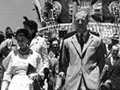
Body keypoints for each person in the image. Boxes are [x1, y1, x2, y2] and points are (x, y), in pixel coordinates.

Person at [58, 9, 105, 90]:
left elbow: (101, 62)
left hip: (91, 83)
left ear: (87, 22)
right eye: (77, 20)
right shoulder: (67, 42)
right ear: (74, 22)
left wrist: (95, 75)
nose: (80, 23)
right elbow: (64, 62)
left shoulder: (97, 41)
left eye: (82, 20)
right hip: (72, 83)